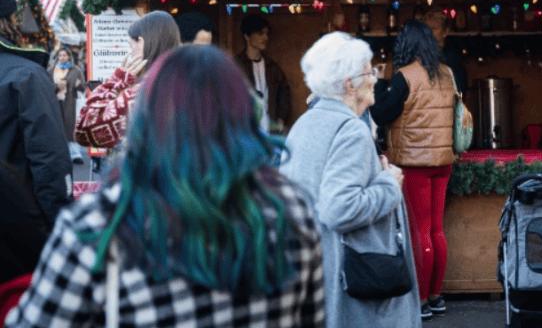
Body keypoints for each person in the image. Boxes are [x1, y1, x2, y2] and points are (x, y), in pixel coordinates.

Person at [6, 45, 325, 328]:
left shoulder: (100, 224)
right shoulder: (291, 210)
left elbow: (87, 128)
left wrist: (118, 80)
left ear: (146, 119)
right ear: (244, 114)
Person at [280, 32, 420, 328]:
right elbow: (339, 209)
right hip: (355, 290)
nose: (375, 78)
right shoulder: (351, 130)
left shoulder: (304, 124)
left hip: (318, 278)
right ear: (348, 84)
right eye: (370, 71)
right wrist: (388, 184)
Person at [370, 19, 457, 321]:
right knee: (436, 229)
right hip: (443, 162)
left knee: (419, 231)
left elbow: (380, 113)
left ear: (405, 45)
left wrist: (379, 82)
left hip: (413, 163)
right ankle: (437, 295)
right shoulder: (447, 74)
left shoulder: (404, 77)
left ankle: (420, 299)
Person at [0, 0, 73, 282]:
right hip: (16, 234)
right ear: (9, 20)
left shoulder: (24, 75)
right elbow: (50, 164)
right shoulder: (26, 75)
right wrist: (61, 236)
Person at [75, 11, 180, 150]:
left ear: (142, 43)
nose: (130, 54)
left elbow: (84, 130)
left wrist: (116, 81)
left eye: (131, 46)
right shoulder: (188, 80)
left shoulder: (144, 93)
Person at [235, 14, 291, 133]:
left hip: (270, 130)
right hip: (245, 131)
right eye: (260, 33)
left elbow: (284, 92)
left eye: (267, 33)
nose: (265, 37)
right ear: (247, 36)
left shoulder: (272, 67)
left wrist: (281, 119)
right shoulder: (236, 65)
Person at [50, 47, 87, 164]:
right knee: (57, 127)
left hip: (71, 102)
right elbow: (45, 86)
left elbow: (83, 88)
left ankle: (75, 154)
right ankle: (60, 154)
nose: (62, 57)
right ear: (57, 57)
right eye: (60, 55)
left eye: (64, 55)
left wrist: (78, 85)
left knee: (71, 127)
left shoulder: (76, 70)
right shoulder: (51, 70)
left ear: (69, 56)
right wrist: (57, 87)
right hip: (56, 102)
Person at [422, 9, 467, 95]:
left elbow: (460, 89)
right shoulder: (418, 56)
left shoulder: (452, 58)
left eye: (433, 29)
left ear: (445, 32)